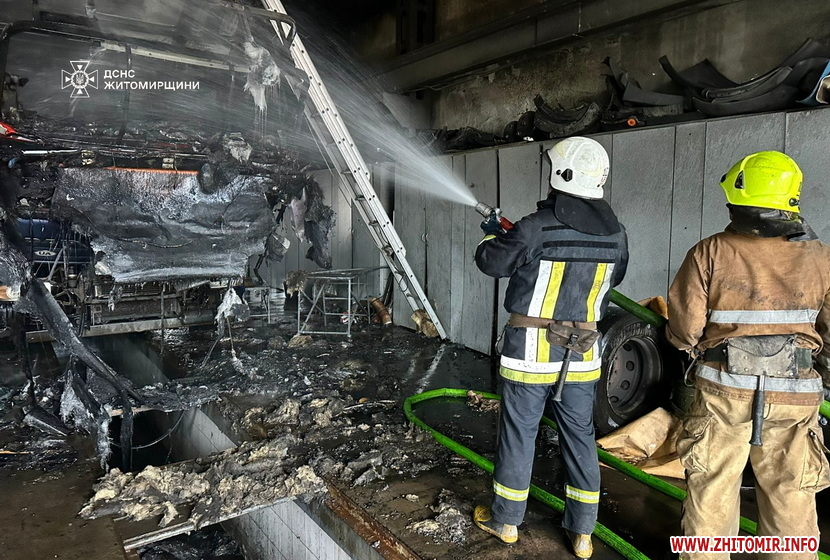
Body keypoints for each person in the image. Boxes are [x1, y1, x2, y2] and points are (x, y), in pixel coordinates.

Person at [667, 151, 830, 560]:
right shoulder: (822, 257)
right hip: (795, 394)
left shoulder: (709, 252)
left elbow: (685, 329)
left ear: (736, 200)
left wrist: (691, 346)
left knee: (713, 490)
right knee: (792, 495)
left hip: (724, 390)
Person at [472, 136, 628, 558]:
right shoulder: (617, 234)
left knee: (519, 434)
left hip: (530, 354)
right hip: (583, 355)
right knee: (579, 437)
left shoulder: (535, 227)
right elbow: (614, 278)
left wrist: (492, 237)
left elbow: (492, 263)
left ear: (560, 175)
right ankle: (583, 533)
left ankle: (506, 522)